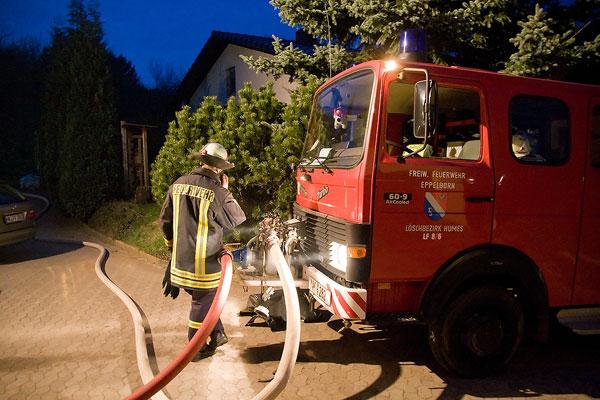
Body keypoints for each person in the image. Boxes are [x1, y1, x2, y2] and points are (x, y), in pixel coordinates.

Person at [159, 142, 246, 361]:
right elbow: (237, 218)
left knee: (207, 300)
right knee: (202, 302)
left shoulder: (178, 184)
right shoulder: (217, 191)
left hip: (180, 262)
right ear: (219, 168)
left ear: (201, 162)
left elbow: (165, 222)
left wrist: (172, 250)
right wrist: (226, 190)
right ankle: (194, 348)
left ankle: (217, 334)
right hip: (204, 265)